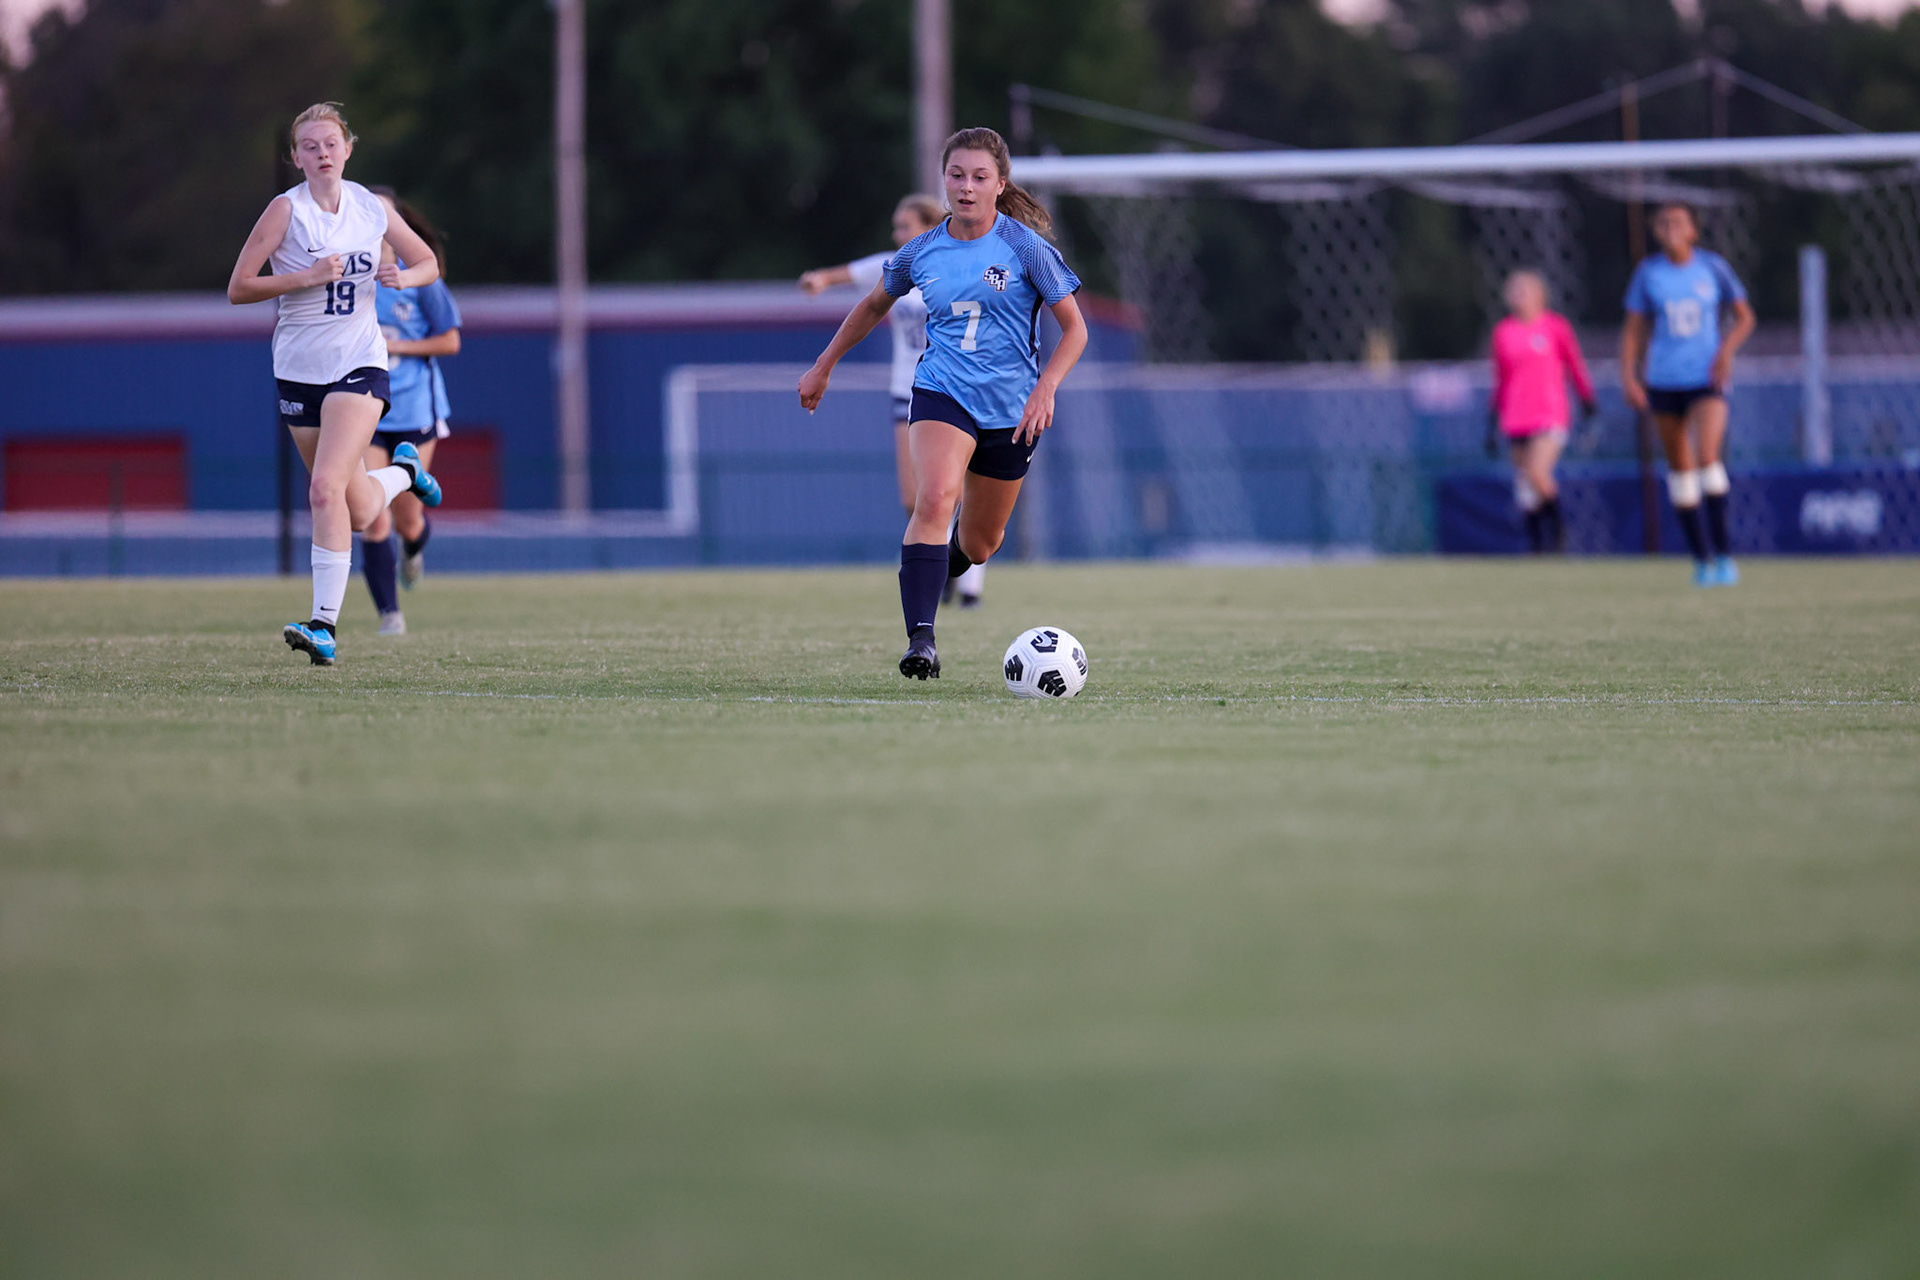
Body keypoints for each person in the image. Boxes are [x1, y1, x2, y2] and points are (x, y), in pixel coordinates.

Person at [799, 127, 1088, 679]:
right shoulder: (921, 250)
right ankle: (921, 641)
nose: (966, 186)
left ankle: (946, 562)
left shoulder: (1027, 248)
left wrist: (1046, 386)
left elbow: (1075, 330)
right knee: (932, 500)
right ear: (944, 181)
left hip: (1011, 410)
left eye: (979, 177)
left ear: (1000, 184)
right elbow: (872, 305)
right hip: (942, 391)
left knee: (980, 543)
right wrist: (823, 365)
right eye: (957, 175)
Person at [226, 103, 445, 665]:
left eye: (330, 143)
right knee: (362, 509)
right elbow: (239, 287)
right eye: (310, 146)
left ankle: (322, 625)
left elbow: (428, 263)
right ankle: (406, 473)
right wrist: (305, 277)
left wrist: (404, 277)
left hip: (360, 364)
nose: (322, 153)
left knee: (324, 489)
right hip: (299, 370)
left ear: (348, 149)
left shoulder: (371, 208)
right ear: (295, 157)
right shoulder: (285, 211)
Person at [800, 194, 986, 608]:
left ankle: (968, 585)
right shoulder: (898, 264)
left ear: (928, 226)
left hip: (958, 388)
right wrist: (819, 280)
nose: (897, 233)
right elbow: (848, 276)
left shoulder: (957, 264)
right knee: (913, 498)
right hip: (909, 389)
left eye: (904, 226)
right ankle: (942, 562)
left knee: (955, 493)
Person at [1621, 202, 1756, 586]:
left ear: (1693, 230)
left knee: (1707, 456)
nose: (1670, 229)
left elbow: (1745, 317)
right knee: (1681, 470)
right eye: (1663, 223)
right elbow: (1633, 329)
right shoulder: (1648, 274)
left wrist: (1725, 352)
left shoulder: (1712, 268)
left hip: (1705, 379)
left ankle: (1725, 555)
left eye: (1678, 222)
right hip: (1663, 380)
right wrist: (1629, 376)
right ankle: (1702, 559)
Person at [360, 187, 462, 635]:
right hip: (364, 410)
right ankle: (390, 614)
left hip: (415, 410)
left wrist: (398, 346)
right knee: (371, 515)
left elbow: (451, 340)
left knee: (407, 519)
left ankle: (414, 548)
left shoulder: (419, 275)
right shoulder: (350, 276)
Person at [1487, 269, 1596, 553]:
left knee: (1537, 473)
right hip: (1515, 416)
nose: (1516, 296)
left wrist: (1588, 402)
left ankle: (1558, 534)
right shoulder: (1504, 333)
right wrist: (1492, 421)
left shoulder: (1555, 327)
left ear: (1539, 295)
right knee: (1524, 483)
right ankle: (1536, 545)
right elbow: (1501, 379)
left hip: (1549, 413)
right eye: (1513, 290)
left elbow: (1574, 365)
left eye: (1522, 290)